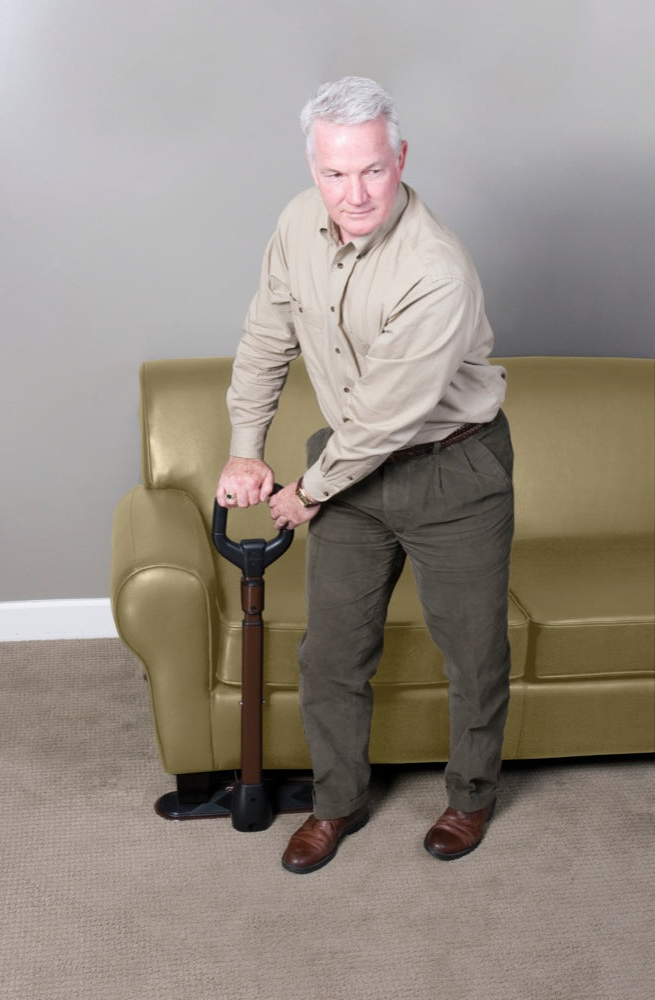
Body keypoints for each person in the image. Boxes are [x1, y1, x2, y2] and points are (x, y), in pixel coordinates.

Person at [216, 76, 514, 873]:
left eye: (373, 171)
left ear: (401, 159)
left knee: (473, 653)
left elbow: (385, 416)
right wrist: (246, 445)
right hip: (353, 474)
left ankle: (472, 795)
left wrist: (306, 492)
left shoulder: (436, 269)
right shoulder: (294, 222)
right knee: (332, 654)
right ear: (313, 165)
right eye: (335, 172)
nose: (354, 193)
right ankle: (336, 802)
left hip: (453, 470)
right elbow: (266, 332)